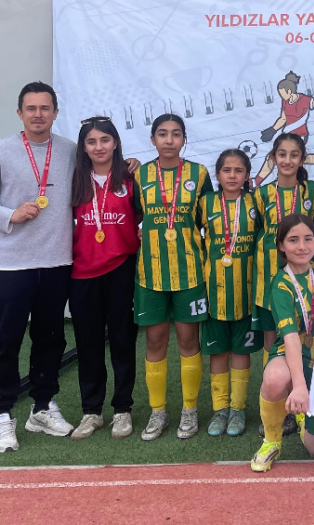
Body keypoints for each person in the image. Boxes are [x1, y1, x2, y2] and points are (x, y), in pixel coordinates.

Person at [0, 82, 77, 451]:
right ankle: (3, 413)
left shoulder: (70, 151)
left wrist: (128, 165)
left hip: (57, 260)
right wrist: (9, 214)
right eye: (30, 108)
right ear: (20, 113)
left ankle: (42, 407)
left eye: (45, 108)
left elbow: (100, 173)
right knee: (7, 340)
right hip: (13, 263)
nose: (38, 114)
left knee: (51, 338)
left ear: (55, 113)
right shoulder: (3, 151)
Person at [133, 114, 213, 441]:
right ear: (153, 139)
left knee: (188, 341)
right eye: (163, 134)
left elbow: (209, 218)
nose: (169, 140)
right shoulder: (139, 175)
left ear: (184, 139)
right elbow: (131, 217)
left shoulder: (199, 174)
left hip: (189, 272)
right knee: (154, 341)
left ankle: (189, 410)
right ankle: (158, 412)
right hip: (150, 274)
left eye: (176, 134)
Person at [68, 116, 141, 440]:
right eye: (91, 141)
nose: (99, 147)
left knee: (123, 342)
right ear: (83, 147)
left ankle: (123, 409)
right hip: (82, 273)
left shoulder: (131, 178)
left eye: (105, 140)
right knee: (88, 345)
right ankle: (92, 411)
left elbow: (144, 219)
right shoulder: (74, 180)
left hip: (121, 269)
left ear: (115, 143)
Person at [252, 133, 314, 435]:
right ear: (273, 158)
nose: (287, 160)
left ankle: (302, 401)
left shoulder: (313, 191)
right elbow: (256, 229)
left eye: (294, 155)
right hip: (268, 280)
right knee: (273, 343)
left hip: (303, 280)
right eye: (282, 154)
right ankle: (277, 410)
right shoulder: (261, 194)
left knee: (304, 334)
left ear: (302, 159)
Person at [251, 214, 314, 471]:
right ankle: (271, 440)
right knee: (275, 378)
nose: (302, 247)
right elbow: (290, 338)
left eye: (308, 239)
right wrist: (299, 386)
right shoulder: (281, 285)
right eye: (293, 240)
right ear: (281, 246)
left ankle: (302, 416)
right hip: (292, 352)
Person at [197, 149, 262, 437]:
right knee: (218, 351)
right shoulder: (206, 202)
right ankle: (220, 409)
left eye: (238, 170)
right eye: (226, 170)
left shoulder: (256, 201)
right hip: (215, 293)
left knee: (240, 350)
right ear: (218, 174)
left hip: (247, 292)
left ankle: (237, 409)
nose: (232, 175)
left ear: (247, 175)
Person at [255, 71, 314, 184]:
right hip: (287, 135)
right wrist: (272, 130)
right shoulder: (285, 101)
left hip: (300, 135)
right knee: (301, 158)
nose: (281, 96)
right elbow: (283, 118)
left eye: (282, 93)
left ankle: (257, 181)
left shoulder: (304, 100)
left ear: (289, 91)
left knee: (274, 157)